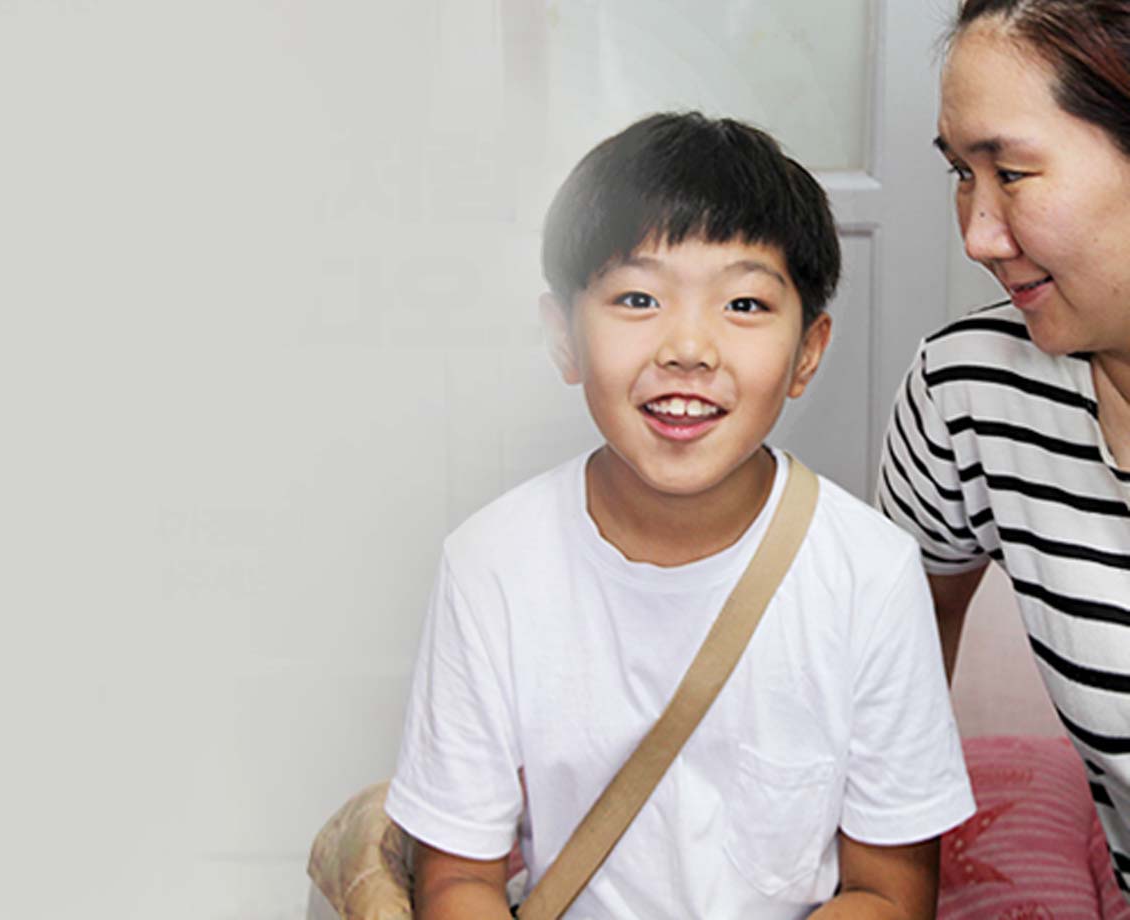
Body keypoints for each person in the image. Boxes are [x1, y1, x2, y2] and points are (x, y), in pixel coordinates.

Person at [387, 112, 974, 920]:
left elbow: (890, 892)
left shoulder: (869, 572)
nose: (689, 348)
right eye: (638, 298)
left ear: (808, 351)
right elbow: (458, 880)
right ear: (563, 338)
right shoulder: (489, 564)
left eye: (744, 303)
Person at [877, 0, 1130, 898]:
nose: (978, 237)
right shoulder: (970, 389)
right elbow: (897, 659)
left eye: (1012, 173)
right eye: (962, 173)